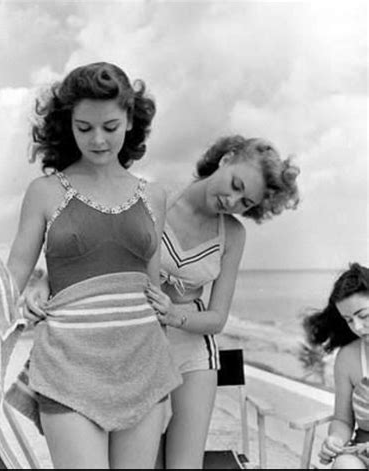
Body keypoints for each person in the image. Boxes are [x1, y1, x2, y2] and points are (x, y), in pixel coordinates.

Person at [0, 62, 183, 469]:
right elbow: (13, 277)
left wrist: (167, 380)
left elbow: (151, 287)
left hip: (144, 368)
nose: (98, 139)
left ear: (130, 120)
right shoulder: (44, 192)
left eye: (110, 126)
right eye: (84, 127)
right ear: (66, 125)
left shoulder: (154, 196)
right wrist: (8, 294)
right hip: (68, 369)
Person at [143, 135, 300, 468]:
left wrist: (172, 314)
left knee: (184, 465)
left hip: (192, 349)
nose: (233, 200)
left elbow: (217, 318)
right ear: (226, 159)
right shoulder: (157, 197)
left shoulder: (232, 234)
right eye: (236, 184)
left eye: (246, 202)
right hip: (139, 341)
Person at [303, 263, 369, 469]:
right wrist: (336, 440)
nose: (357, 327)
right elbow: (343, 419)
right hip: (362, 451)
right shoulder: (349, 357)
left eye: (364, 316)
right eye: (349, 320)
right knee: (344, 466)